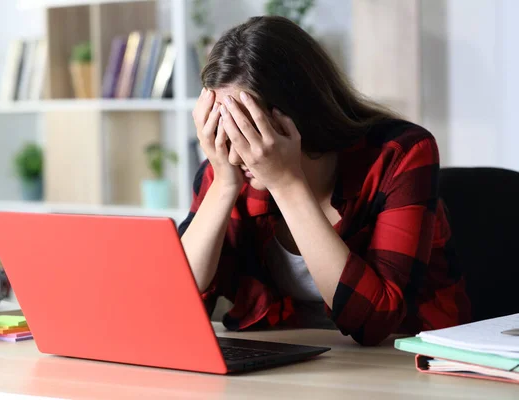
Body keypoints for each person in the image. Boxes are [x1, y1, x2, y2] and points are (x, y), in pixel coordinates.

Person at [178, 16, 471, 346]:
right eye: (220, 126)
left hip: (409, 361)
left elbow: (378, 321)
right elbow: (175, 307)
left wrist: (287, 184)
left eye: (247, 129)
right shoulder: (225, 170)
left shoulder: (400, 154)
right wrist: (223, 186)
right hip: (295, 360)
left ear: (298, 115)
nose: (235, 150)